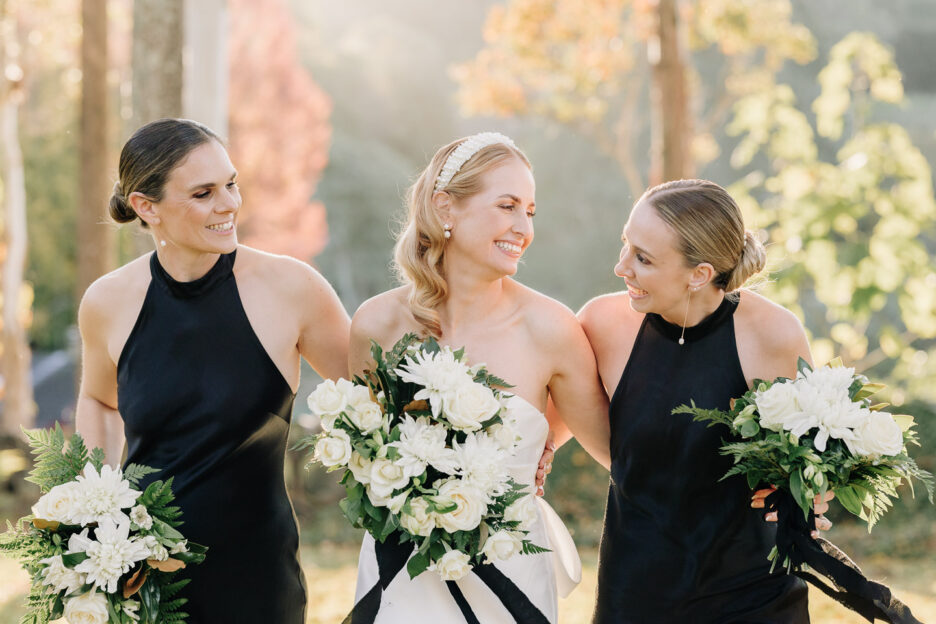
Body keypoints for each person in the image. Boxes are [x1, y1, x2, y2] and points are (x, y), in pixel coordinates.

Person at [75, 118, 350, 623]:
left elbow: (372, 399)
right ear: (145, 207)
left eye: (231, 184)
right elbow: (98, 400)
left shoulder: (293, 289)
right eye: (203, 193)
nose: (228, 204)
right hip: (144, 580)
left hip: (258, 580)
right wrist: (97, 507)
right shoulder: (107, 302)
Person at [348, 132, 610, 623]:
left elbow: (619, 453)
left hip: (509, 574)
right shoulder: (375, 324)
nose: (523, 227)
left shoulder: (551, 329)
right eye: (507, 206)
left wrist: (541, 444)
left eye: (530, 211)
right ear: (445, 207)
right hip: (402, 572)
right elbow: (371, 450)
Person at [579, 179, 829, 623]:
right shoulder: (600, 324)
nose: (621, 267)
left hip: (753, 596)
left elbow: (809, 457)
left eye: (643, 258)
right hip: (636, 593)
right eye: (626, 245)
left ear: (700, 273)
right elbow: (564, 424)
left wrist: (809, 491)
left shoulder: (774, 334)